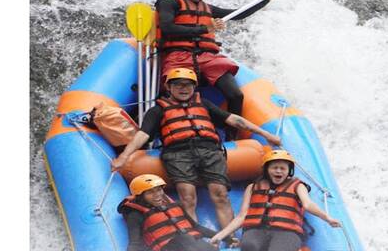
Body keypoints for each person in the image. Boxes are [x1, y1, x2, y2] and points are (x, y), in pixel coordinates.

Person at [111, 68, 282, 241]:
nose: (184, 88)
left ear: (194, 87)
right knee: (187, 195)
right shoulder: (158, 110)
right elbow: (143, 135)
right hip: (177, 153)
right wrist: (124, 157)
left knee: (220, 193)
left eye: (188, 85)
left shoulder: (204, 104)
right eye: (178, 85)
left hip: (209, 150)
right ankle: (195, 240)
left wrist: (267, 135)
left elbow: (234, 120)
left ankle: (229, 237)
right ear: (168, 87)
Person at [155, 0, 280, 140]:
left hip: (208, 57)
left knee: (236, 95)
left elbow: (239, 13)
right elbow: (167, 28)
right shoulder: (170, 2)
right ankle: (162, 133)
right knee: (166, 96)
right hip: (179, 56)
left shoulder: (208, 9)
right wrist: (205, 29)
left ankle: (231, 136)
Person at [210, 150, 343, 251]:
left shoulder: (298, 186)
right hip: (257, 231)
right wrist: (220, 236)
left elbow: (308, 204)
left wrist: (328, 218)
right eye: (274, 168)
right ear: (267, 170)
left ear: (289, 171)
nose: (278, 171)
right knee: (250, 248)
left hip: (287, 233)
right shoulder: (252, 187)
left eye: (283, 168)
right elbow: (242, 216)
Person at [118, 174, 228, 251]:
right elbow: (134, 240)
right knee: (185, 238)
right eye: (151, 192)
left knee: (206, 247)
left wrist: (226, 238)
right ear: (140, 195)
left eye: (159, 190)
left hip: (189, 245)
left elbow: (196, 227)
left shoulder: (175, 205)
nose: (158, 195)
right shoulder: (135, 215)